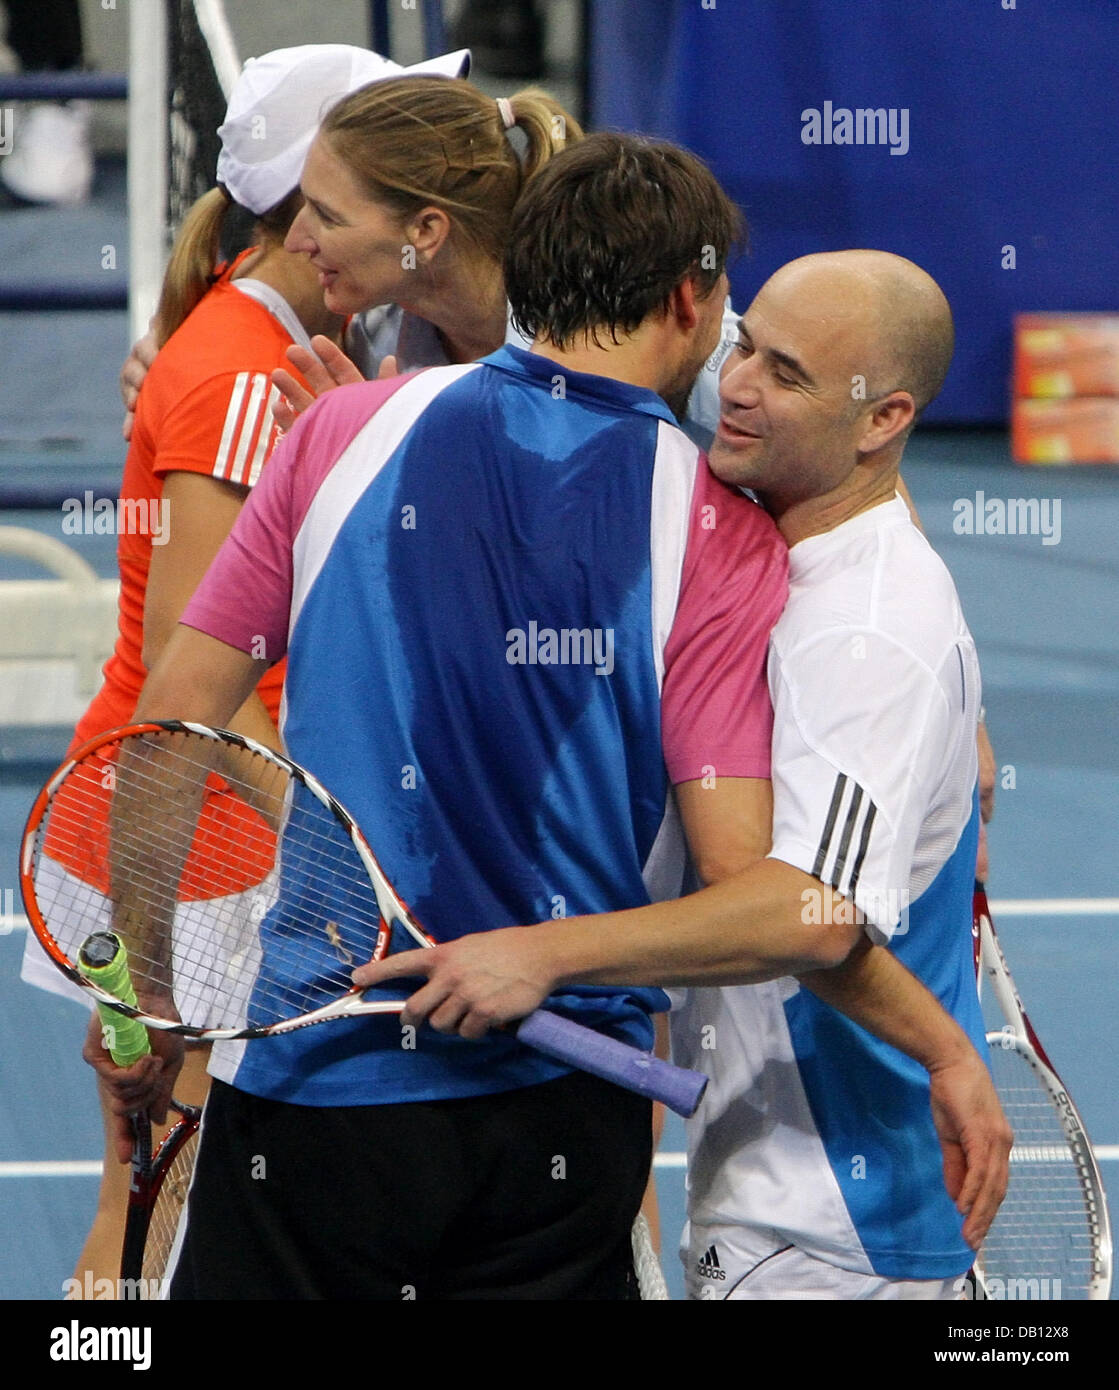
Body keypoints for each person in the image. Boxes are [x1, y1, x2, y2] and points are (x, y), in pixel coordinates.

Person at [93, 134, 1004, 1300]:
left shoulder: (335, 435)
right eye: (732, 316)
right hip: (564, 1127)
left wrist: (146, 1001)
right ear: (691, 297)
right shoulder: (720, 534)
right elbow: (747, 885)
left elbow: (168, 737)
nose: (732, 363)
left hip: (311, 1093)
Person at [361, 249, 1013, 1298]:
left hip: (829, 1231)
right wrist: (379, 420)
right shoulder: (785, 482)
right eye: (742, 345)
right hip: (775, 1194)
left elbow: (809, 914)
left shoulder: (870, 634)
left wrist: (543, 955)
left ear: (882, 419)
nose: (740, 384)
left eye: (784, 373)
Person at [22, 43, 472, 1296]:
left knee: (152, 1190)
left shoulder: (249, 337)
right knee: (163, 1190)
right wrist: (354, 861)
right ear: (310, 204)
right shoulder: (242, 377)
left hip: (183, 840)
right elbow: (197, 688)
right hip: (202, 850)